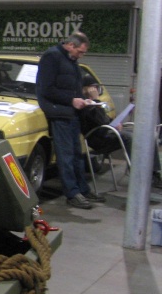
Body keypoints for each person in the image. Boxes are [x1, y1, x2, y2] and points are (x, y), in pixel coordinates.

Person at [36, 31, 105, 209]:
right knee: (66, 155)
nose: (81, 55)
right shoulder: (52, 57)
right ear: (71, 45)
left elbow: (72, 87)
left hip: (72, 113)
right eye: (80, 52)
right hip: (59, 114)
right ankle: (72, 194)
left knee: (77, 154)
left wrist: (84, 99)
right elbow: (46, 89)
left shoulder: (71, 61)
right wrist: (71, 100)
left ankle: (83, 189)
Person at [78, 73, 162, 188]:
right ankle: (138, 175)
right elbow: (99, 121)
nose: (96, 90)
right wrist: (96, 100)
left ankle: (154, 173)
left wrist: (115, 123)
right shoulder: (85, 104)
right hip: (98, 138)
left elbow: (105, 119)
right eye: (94, 88)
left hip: (108, 132)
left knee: (147, 136)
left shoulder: (95, 103)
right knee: (129, 138)